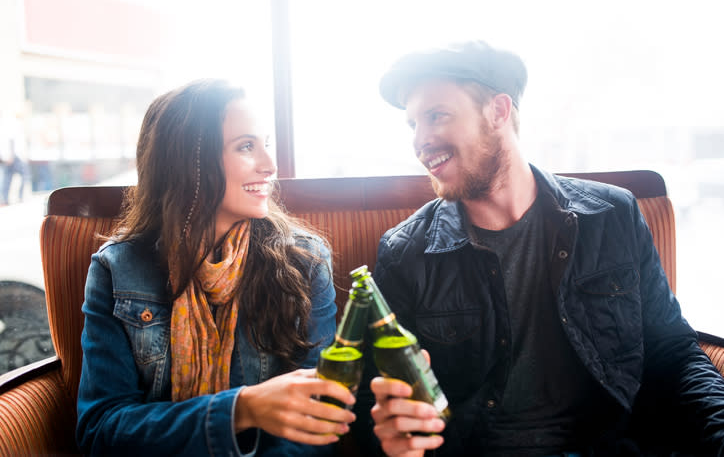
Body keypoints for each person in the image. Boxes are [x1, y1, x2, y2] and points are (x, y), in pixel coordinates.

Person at [351, 41, 724, 456]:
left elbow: (672, 351)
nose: (421, 141)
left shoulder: (612, 215)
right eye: (413, 125)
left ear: (498, 111)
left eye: (436, 116)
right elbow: (371, 402)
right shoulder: (406, 252)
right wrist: (391, 434)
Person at [76, 79, 356, 456]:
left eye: (265, 144)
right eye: (245, 147)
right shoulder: (118, 269)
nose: (269, 165)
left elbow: (320, 419)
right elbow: (101, 428)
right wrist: (241, 409)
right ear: (189, 163)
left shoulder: (305, 260)